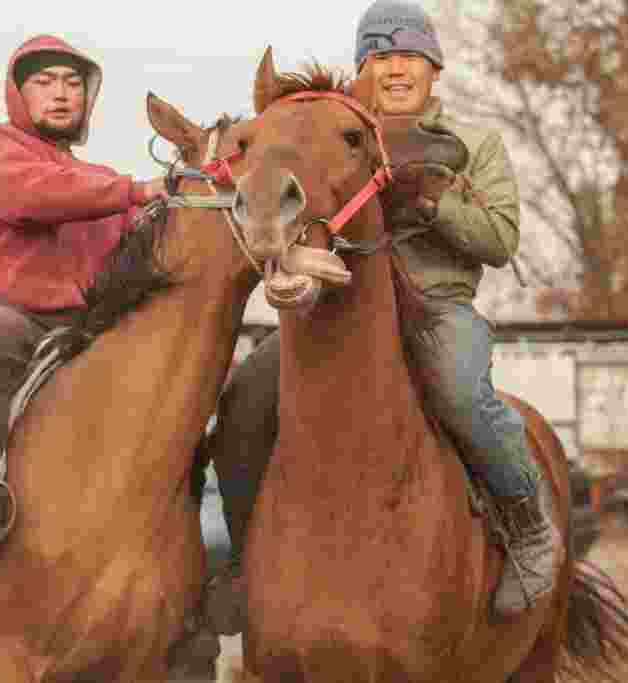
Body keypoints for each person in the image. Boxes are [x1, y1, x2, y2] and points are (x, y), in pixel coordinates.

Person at [209, 0, 560, 621]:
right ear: (362, 71)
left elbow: (501, 241)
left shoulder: (474, 144)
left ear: (435, 67)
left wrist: (428, 203)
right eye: (380, 58)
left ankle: (530, 528)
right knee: (245, 397)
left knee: (457, 388)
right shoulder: (337, 132)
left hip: (436, 307)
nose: (395, 70)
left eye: (409, 57)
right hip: (340, 309)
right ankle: (243, 560)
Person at [0, 34, 168, 568]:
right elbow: (34, 196)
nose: (61, 93)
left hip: (92, 329)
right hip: (15, 317)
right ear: (18, 94)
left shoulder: (106, 181)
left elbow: (149, 246)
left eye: (72, 83)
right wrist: (137, 191)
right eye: (43, 82)